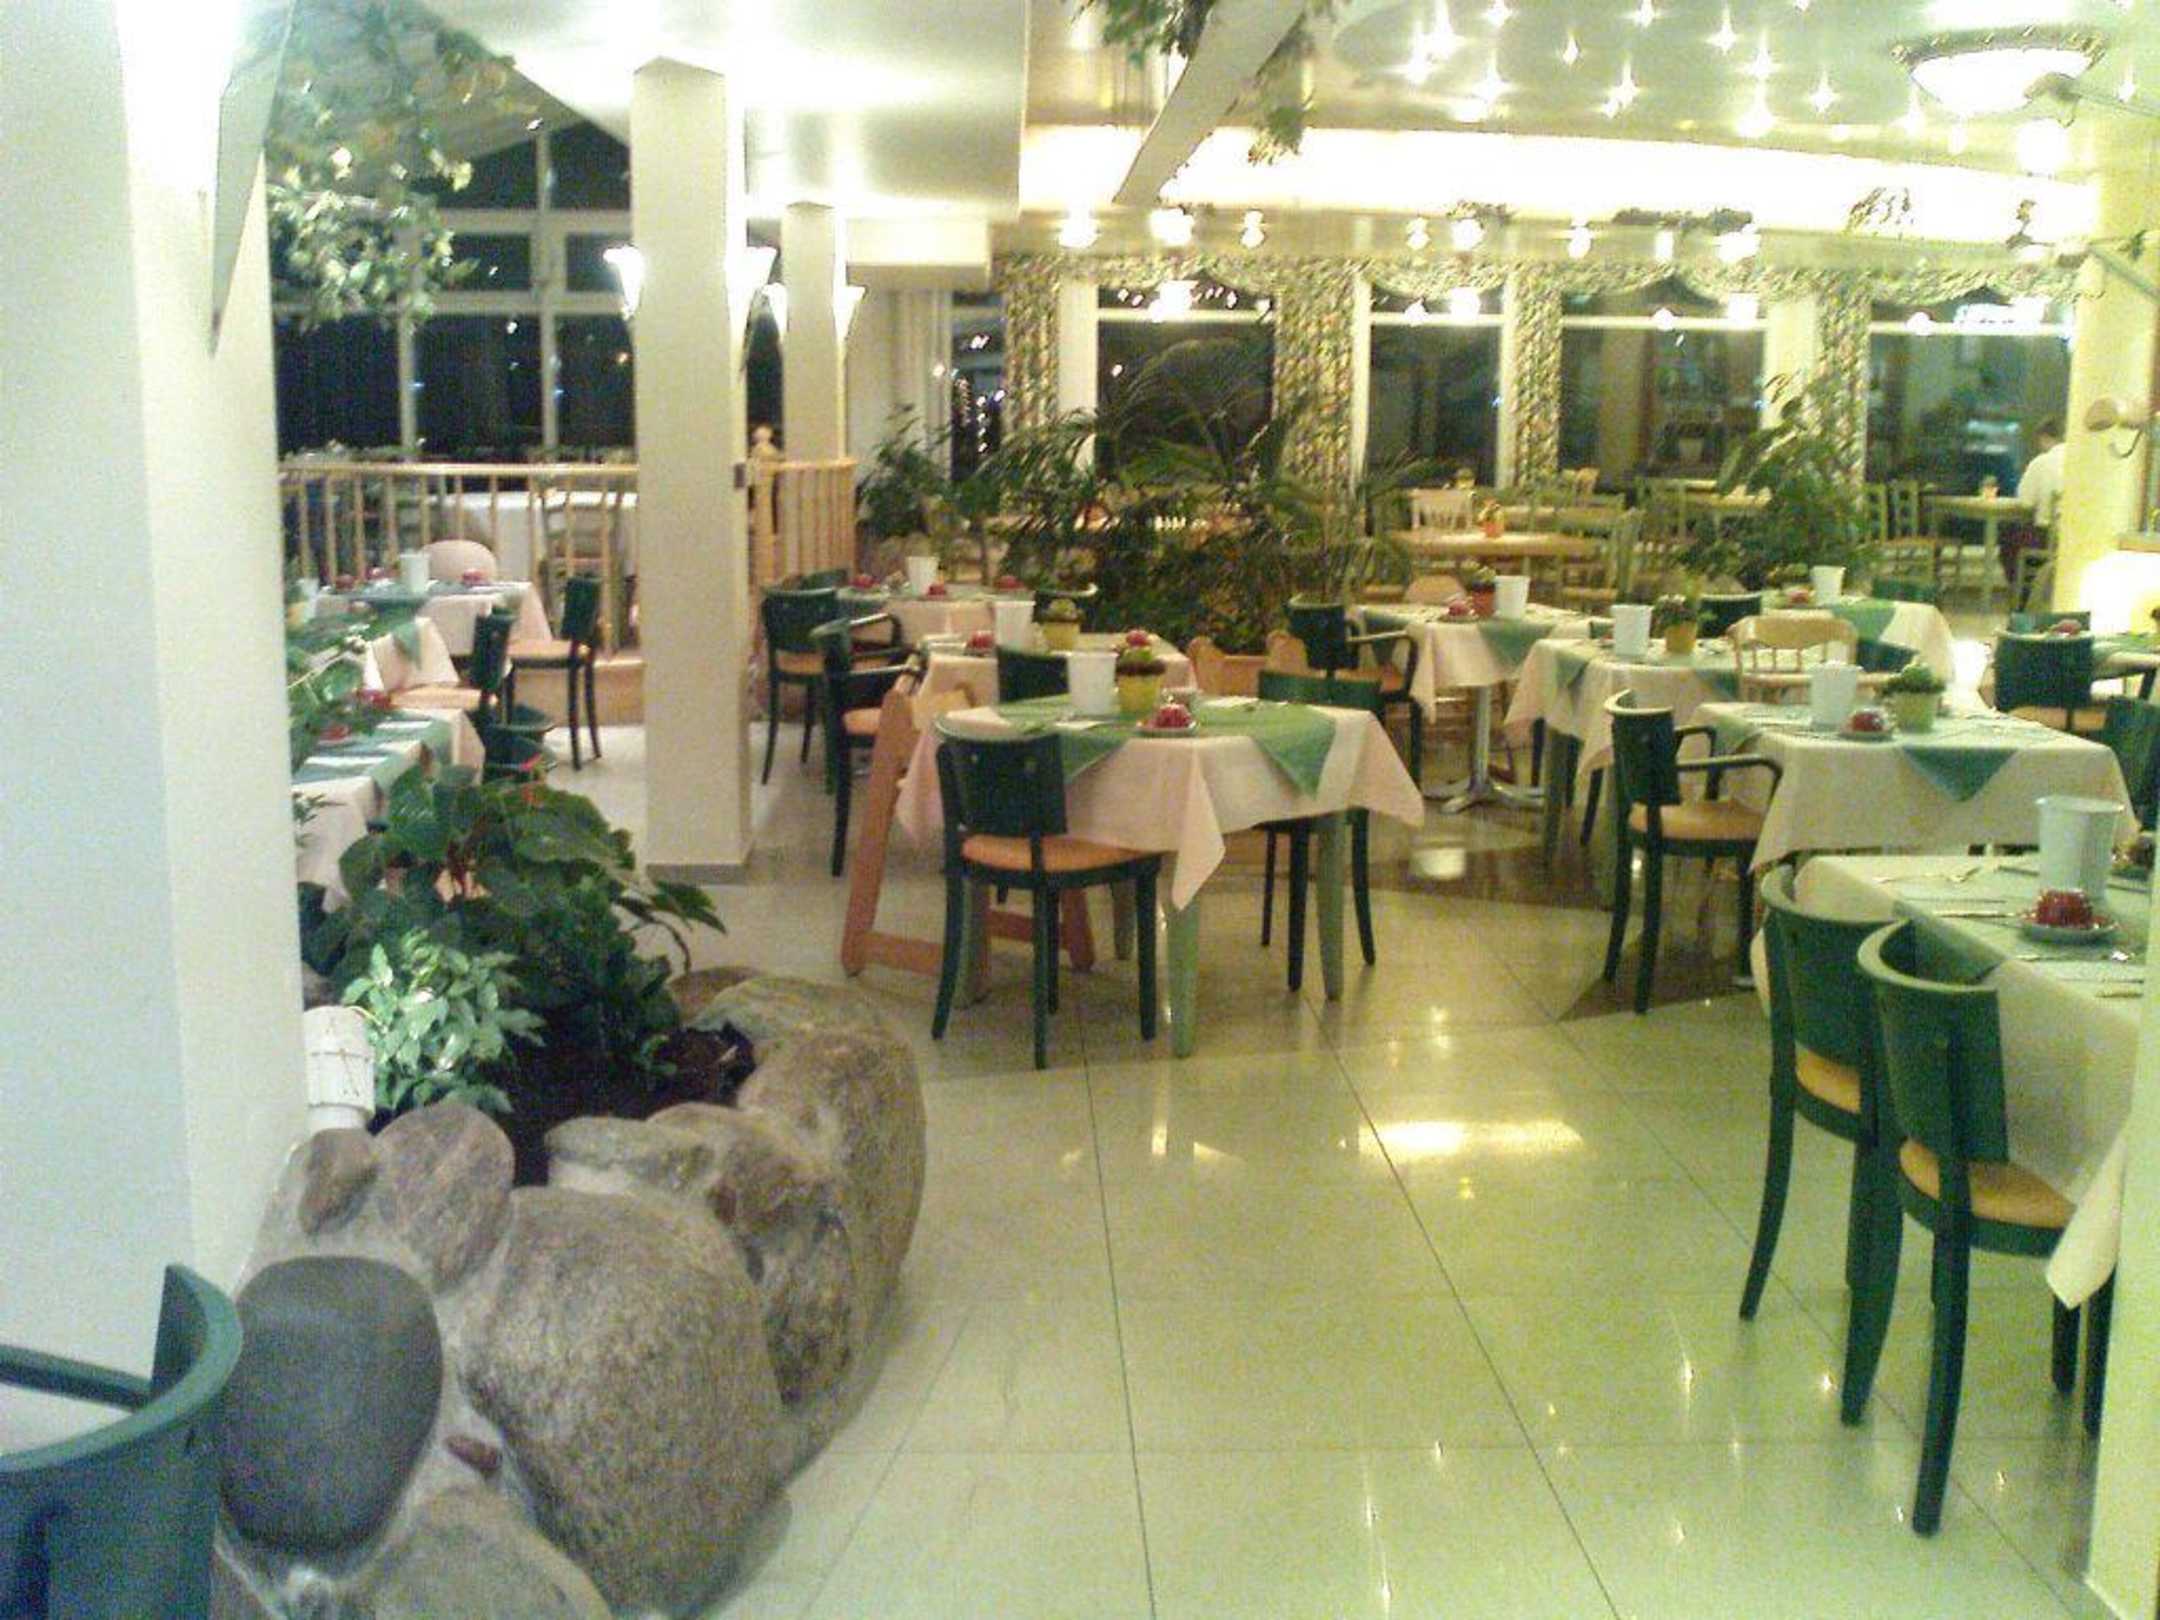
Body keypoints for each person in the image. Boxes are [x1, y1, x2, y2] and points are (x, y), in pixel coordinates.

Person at [2001, 418, 2065, 597]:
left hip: (2047, 536)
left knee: (2008, 539)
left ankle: (2024, 594)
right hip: (2073, 537)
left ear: (2044, 437)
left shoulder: (2041, 462)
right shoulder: (2081, 462)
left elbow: (2025, 502)